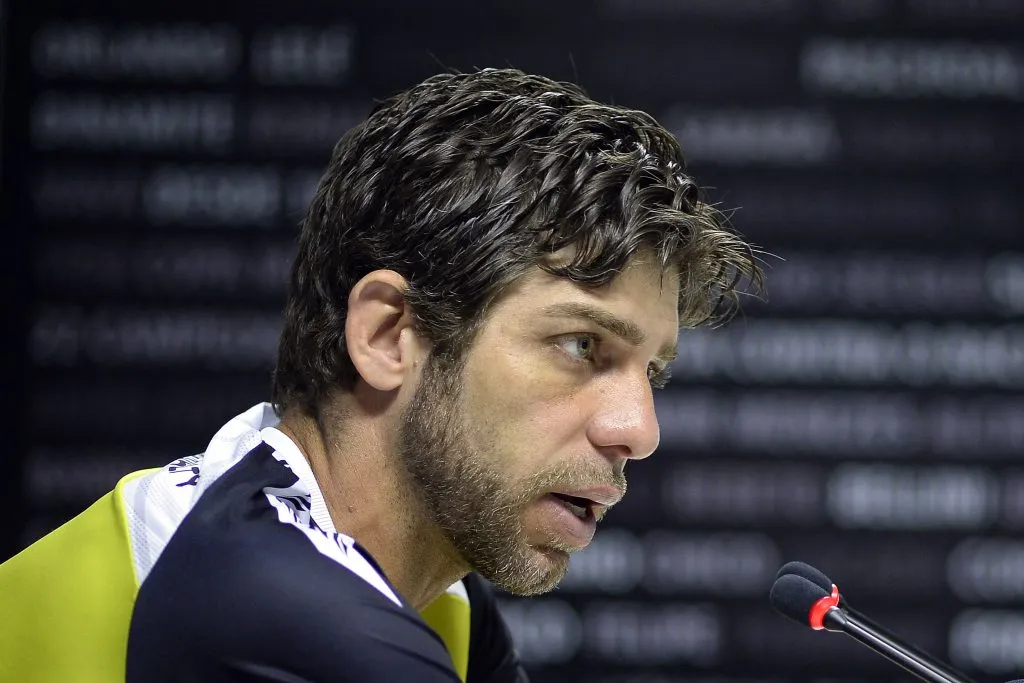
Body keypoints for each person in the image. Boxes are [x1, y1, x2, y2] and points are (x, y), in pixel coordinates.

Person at [0, 68, 761, 682]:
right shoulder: (262, 599)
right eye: (581, 345)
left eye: (651, 374)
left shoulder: (440, 600)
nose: (639, 430)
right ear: (388, 334)